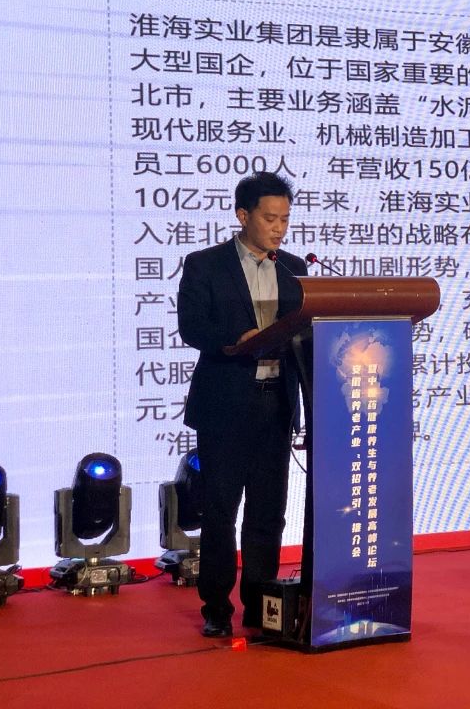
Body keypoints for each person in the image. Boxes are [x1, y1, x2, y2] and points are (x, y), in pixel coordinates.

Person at [177, 171, 307, 637]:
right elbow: (193, 326)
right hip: (225, 405)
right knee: (220, 510)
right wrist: (239, 339)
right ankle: (216, 607)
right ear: (243, 215)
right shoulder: (205, 264)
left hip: (276, 404)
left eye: (285, 219)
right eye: (270, 218)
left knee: (268, 511)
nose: (279, 228)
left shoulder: (294, 268)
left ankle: (260, 603)